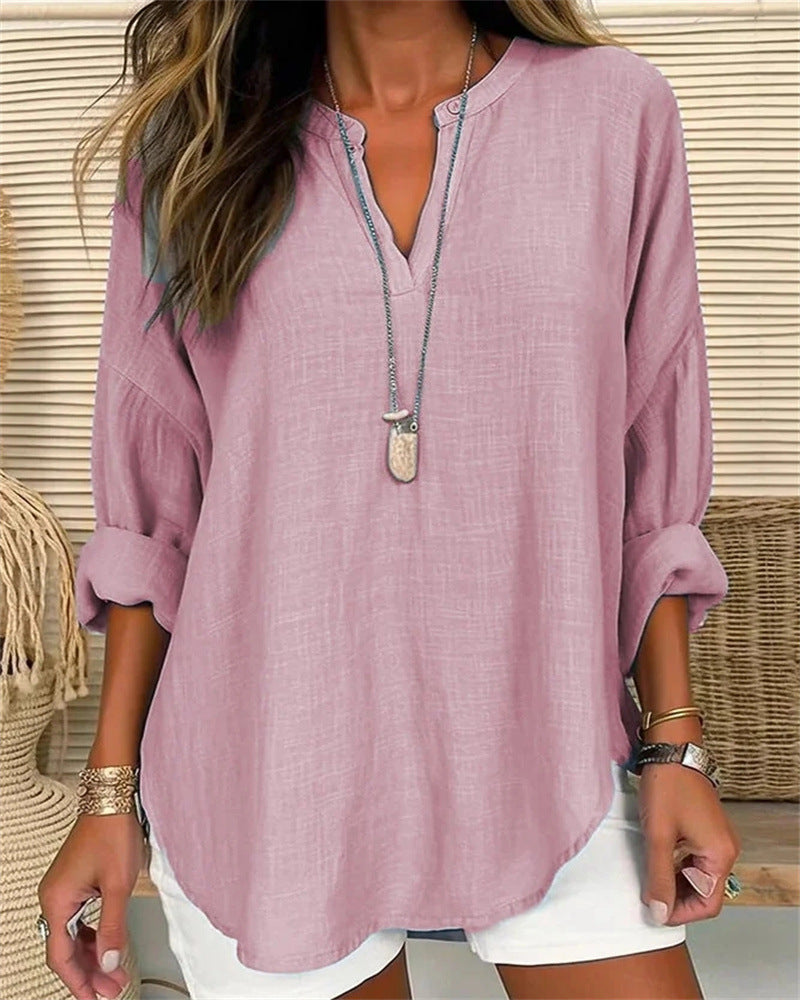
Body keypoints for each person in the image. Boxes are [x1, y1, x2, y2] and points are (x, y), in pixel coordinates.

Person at [36, 1, 742, 998]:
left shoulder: (613, 113)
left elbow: (649, 457)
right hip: (272, 762)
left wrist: (675, 742)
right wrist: (108, 795)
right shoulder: (193, 148)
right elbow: (156, 515)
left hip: (549, 747)